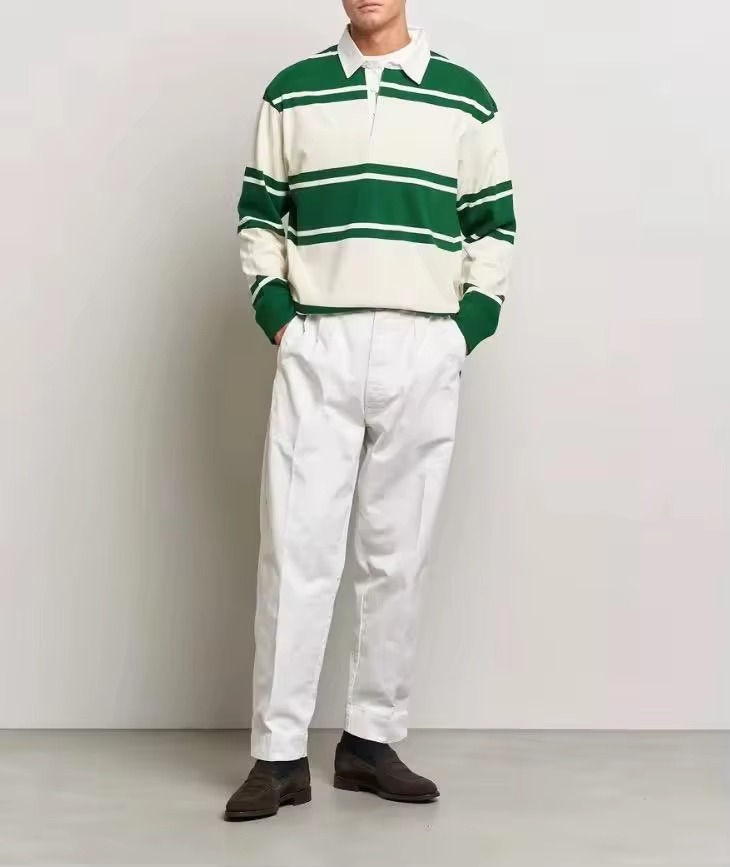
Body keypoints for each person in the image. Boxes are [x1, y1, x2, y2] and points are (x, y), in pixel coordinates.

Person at [225, 0, 516, 821]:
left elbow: (493, 225)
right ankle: (279, 753)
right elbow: (260, 214)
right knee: (297, 546)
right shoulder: (293, 90)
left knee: (399, 552)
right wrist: (281, 318)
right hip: (320, 340)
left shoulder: (465, 96)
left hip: (424, 342)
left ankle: (370, 739)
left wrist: (464, 329)